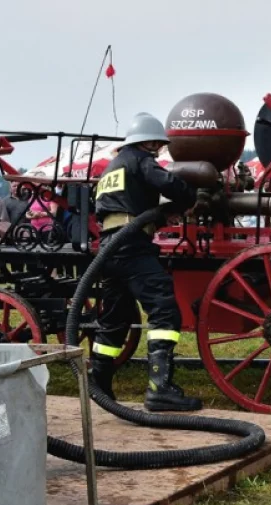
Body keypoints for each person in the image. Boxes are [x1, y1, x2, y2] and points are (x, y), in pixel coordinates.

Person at [91, 112, 202, 411]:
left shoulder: (111, 169)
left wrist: (162, 214)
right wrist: (190, 196)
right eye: (158, 146)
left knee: (115, 320)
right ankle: (160, 389)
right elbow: (167, 183)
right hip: (132, 246)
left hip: (109, 248)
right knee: (164, 309)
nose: (159, 151)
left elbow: (122, 204)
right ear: (149, 142)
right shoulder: (139, 160)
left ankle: (98, 385)